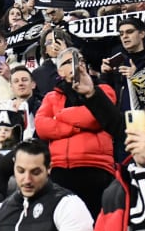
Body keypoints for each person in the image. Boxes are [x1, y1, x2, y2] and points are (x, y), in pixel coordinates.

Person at [34, 47, 121, 217]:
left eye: (80, 60)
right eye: (69, 62)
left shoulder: (102, 90)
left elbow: (94, 118)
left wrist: (60, 116)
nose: (77, 64)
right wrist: (75, 126)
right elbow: (42, 126)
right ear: (60, 70)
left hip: (96, 169)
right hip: (60, 170)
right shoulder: (51, 97)